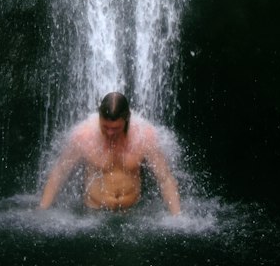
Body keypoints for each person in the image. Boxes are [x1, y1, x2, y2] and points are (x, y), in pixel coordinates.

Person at [38, 91, 181, 215]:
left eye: (115, 128)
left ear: (126, 119)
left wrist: (177, 217)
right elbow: (59, 172)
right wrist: (42, 210)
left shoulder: (145, 136)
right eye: (105, 127)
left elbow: (165, 178)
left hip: (131, 213)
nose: (110, 132)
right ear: (99, 116)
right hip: (94, 214)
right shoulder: (83, 136)